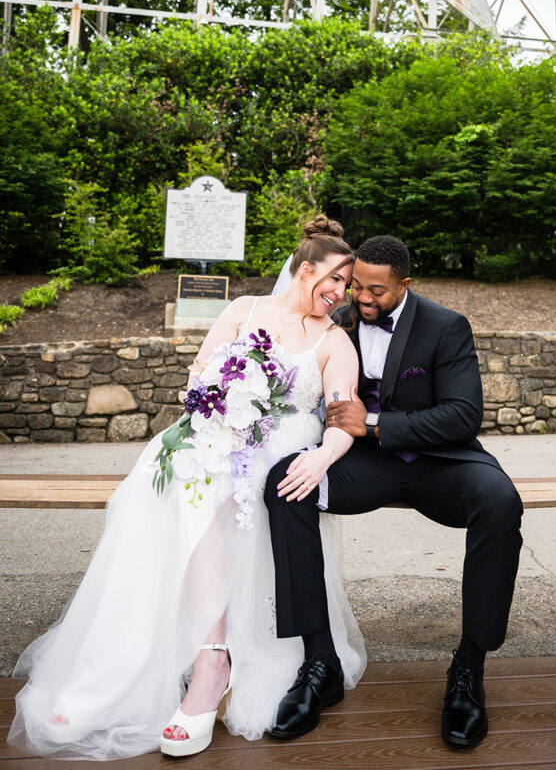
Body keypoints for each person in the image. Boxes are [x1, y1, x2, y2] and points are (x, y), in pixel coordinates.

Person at [9, 216, 366, 760]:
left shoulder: (335, 342)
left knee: (222, 490)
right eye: (337, 279)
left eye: (347, 286)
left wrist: (321, 458)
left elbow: (343, 420)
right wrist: (223, 406)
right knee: (175, 478)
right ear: (306, 268)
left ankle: (213, 662)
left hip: (284, 449)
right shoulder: (242, 311)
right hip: (218, 433)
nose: (342, 294)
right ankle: (149, 655)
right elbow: (199, 378)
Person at [265, 235, 523, 750]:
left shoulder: (445, 327)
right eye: (355, 284)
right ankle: (320, 664)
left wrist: (377, 423)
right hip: (366, 466)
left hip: (440, 464)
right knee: (285, 485)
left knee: (500, 501)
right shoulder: (338, 326)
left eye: (376, 290)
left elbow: (463, 414)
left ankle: (468, 671)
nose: (361, 297)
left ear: (405, 284)